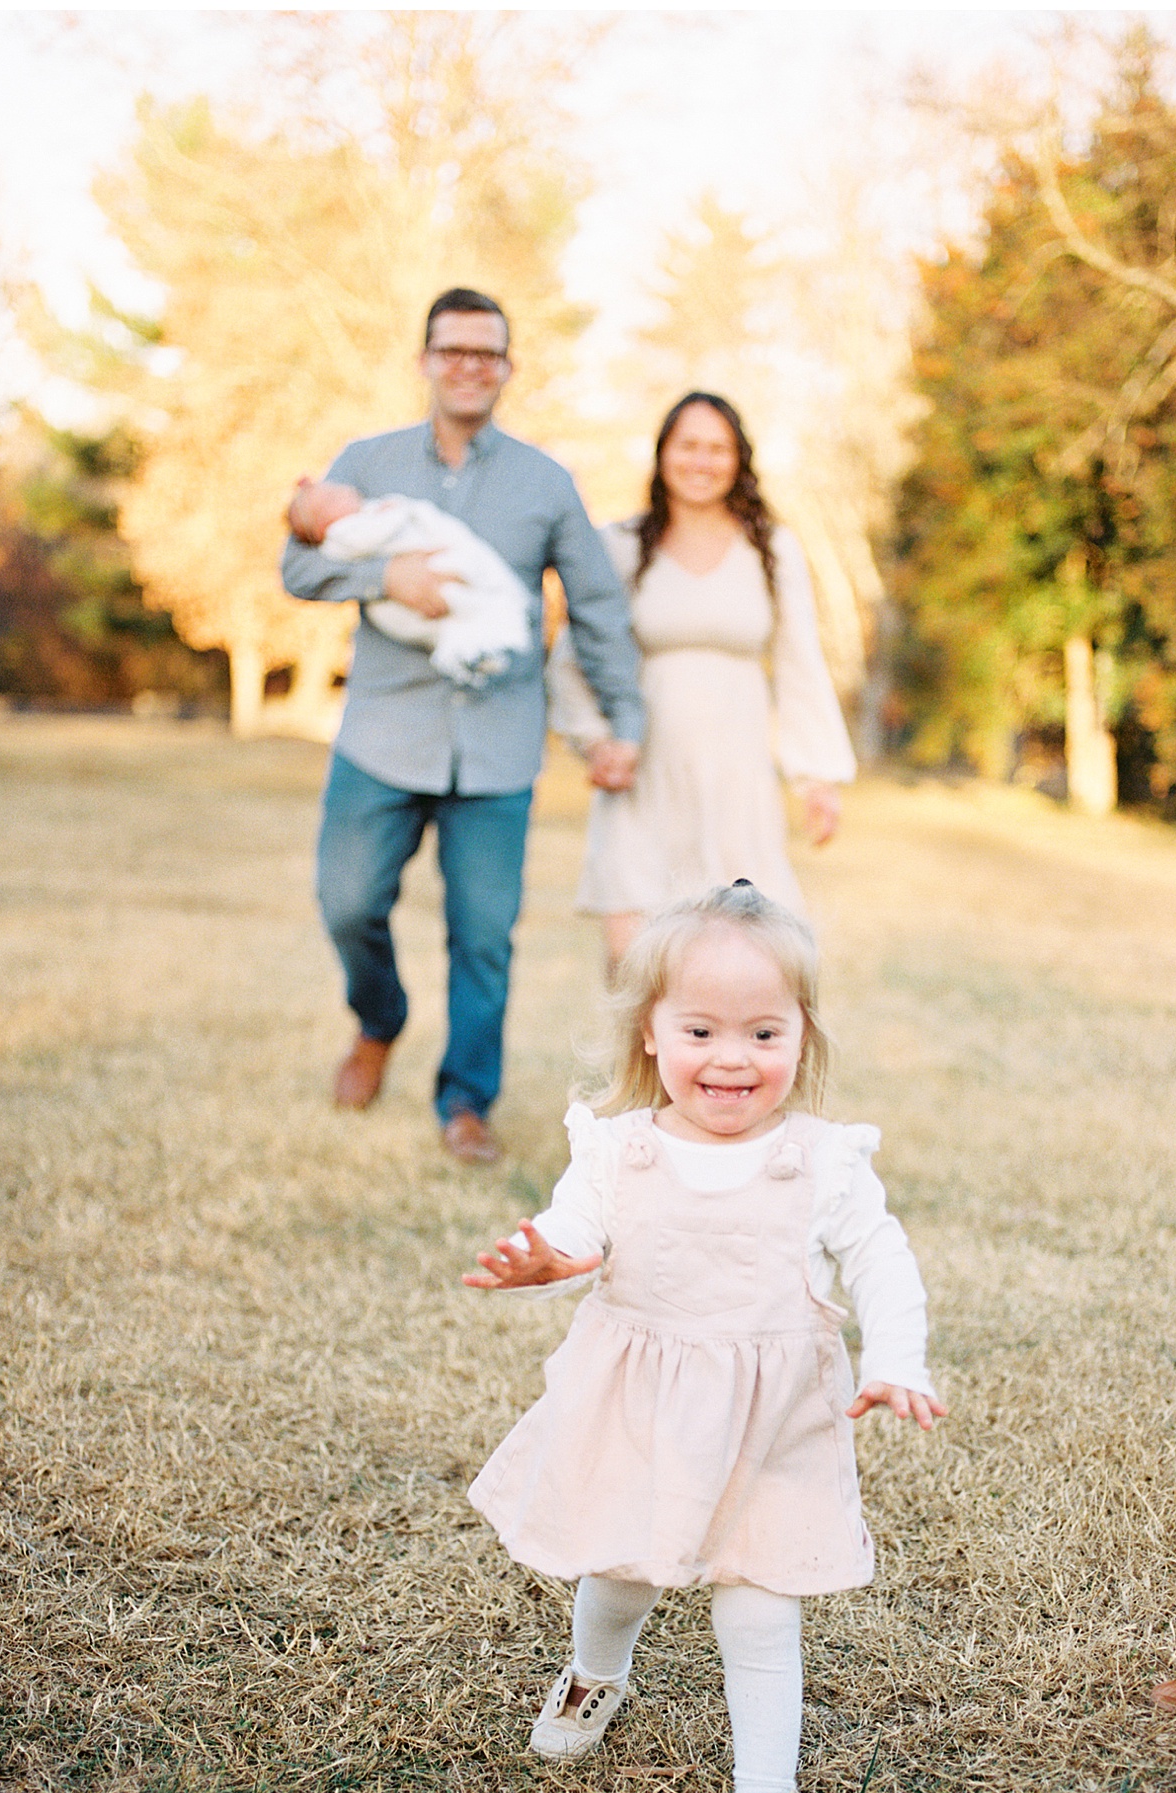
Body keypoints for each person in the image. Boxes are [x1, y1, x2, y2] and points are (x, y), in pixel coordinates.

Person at [461, 881, 945, 1793]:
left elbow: (882, 1259)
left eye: (764, 1033)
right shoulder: (618, 1150)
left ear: (803, 1037)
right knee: (622, 1569)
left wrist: (898, 1358)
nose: (732, 1058)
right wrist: (543, 1260)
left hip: (773, 1428)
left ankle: (766, 1790)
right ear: (649, 1033)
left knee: (761, 1609)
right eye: (701, 1030)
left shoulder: (822, 1162)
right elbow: (574, 1231)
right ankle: (596, 1674)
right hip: (643, 1410)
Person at [283, 287, 646, 1164]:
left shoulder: (545, 482)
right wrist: (384, 583)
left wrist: (623, 719)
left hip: (497, 748)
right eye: (453, 351)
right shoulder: (366, 462)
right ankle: (379, 1022)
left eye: (487, 354)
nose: (469, 367)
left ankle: (467, 1100)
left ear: (508, 369)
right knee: (347, 903)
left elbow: (595, 606)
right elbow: (299, 563)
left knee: (483, 937)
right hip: (383, 737)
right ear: (425, 361)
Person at [548, 393, 857, 972]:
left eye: (719, 448)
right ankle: (636, 1067)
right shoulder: (620, 545)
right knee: (635, 963)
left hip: (737, 783)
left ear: (740, 460)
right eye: (688, 445)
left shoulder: (772, 547)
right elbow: (573, 658)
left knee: (743, 964)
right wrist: (595, 741)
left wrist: (816, 777)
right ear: (662, 454)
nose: (702, 461)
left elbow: (799, 663)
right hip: (643, 780)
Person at [300, 480, 530, 686]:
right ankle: (474, 644)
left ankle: (479, 640)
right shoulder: (343, 531)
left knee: (465, 591)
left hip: (433, 564)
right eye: (331, 498)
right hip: (397, 616)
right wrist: (386, 576)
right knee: (456, 604)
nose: (344, 491)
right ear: (322, 527)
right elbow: (296, 571)